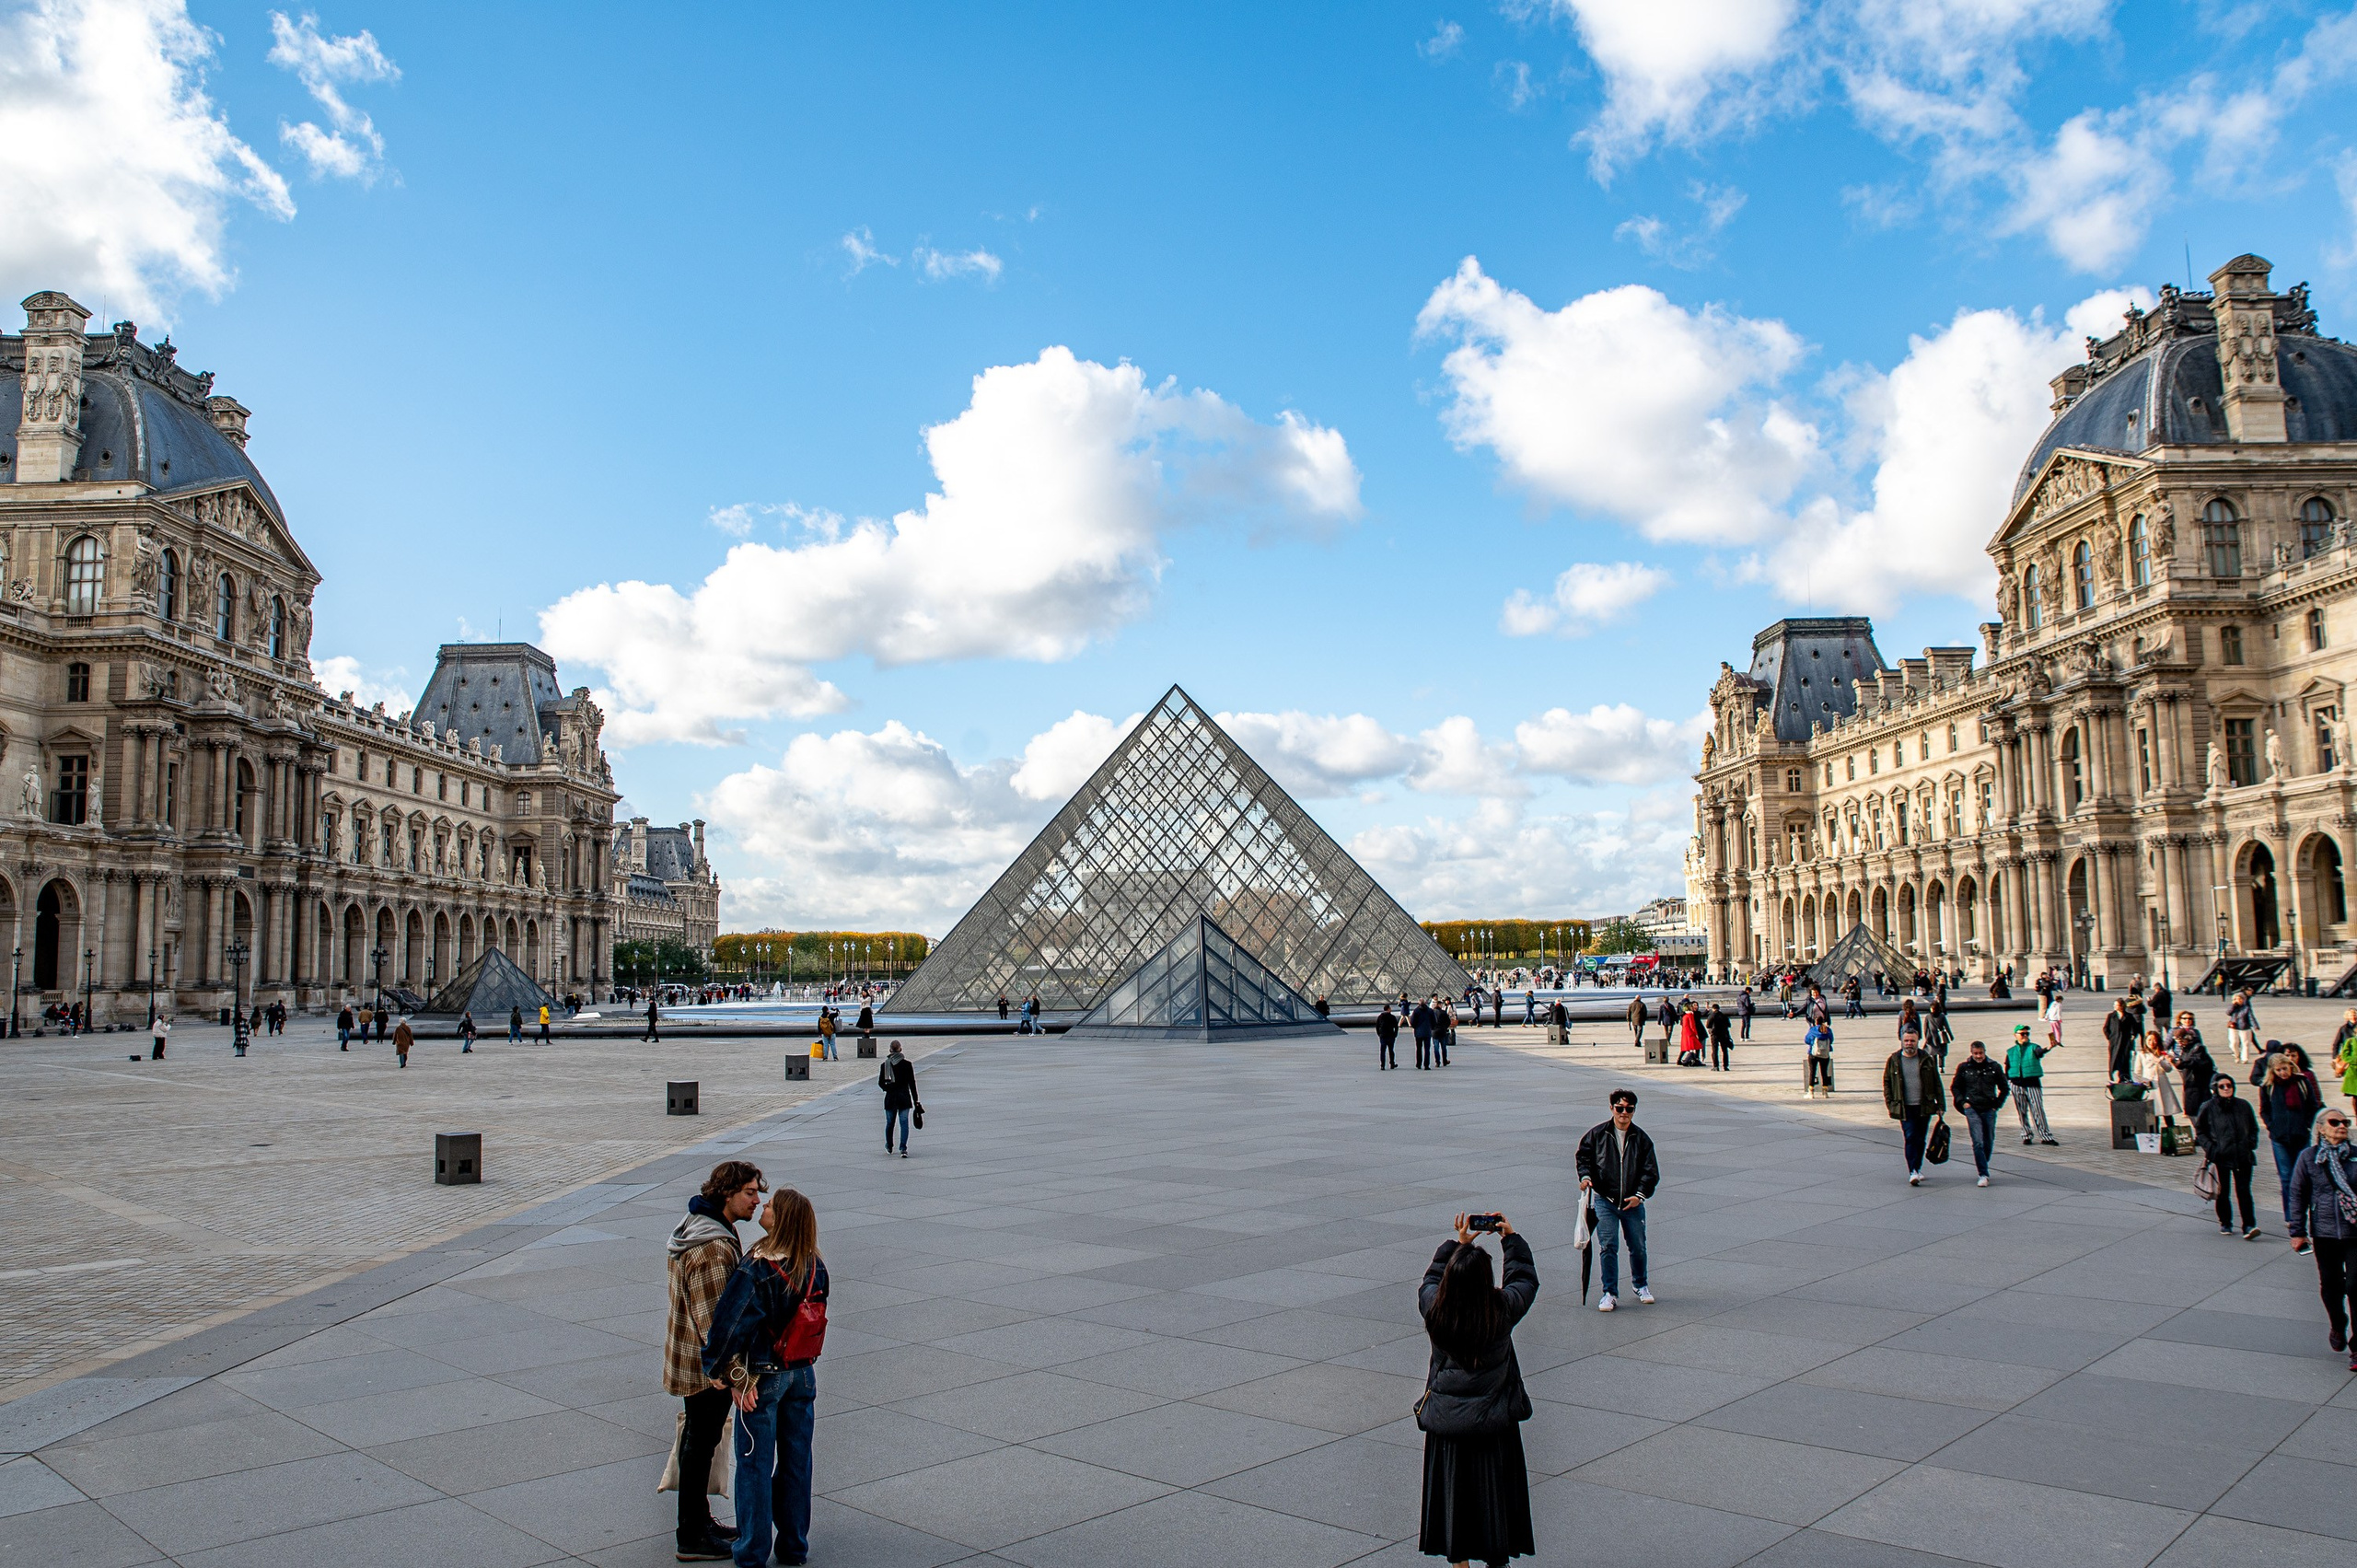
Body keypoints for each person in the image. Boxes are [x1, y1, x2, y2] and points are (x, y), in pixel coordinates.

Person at [701, 1188, 827, 1568]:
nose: (764, 1205)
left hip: (762, 1380)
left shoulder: (758, 1266)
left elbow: (727, 1326)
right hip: (802, 1375)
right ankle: (793, 1547)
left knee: (754, 1465)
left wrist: (726, 1373)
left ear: (782, 1218)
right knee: (796, 1462)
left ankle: (752, 1552)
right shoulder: (815, 1265)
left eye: (771, 1205)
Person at [1416, 1212, 1538, 1568]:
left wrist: (1456, 1245)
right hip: (1493, 1425)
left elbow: (1430, 1279)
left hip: (1448, 1427)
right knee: (1494, 1502)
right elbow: (1524, 1281)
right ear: (1487, 1281)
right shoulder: (1500, 1311)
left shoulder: (1435, 1310)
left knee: (1454, 1505)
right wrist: (1510, 1240)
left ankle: (1460, 1564)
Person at [666, 1160, 761, 1562]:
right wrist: (737, 1377)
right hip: (705, 1367)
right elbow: (714, 1325)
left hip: (694, 1358)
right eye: (750, 1193)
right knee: (699, 1445)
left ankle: (699, 1521)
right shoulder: (712, 1247)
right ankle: (691, 1535)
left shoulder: (704, 1226)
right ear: (728, 1194)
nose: (757, 1201)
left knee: (699, 1443)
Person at [1574, 1089, 1658, 1311]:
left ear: (1634, 1111)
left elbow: (1650, 1171)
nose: (1624, 1113)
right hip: (1605, 1200)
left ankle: (1640, 1284)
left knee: (1638, 1246)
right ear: (1611, 1108)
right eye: (1619, 1108)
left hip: (1632, 1203)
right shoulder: (1598, 1134)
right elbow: (1583, 1156)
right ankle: (1609, 1292)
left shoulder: (1641, 1139)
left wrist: (1640, 1196)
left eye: (1629, 1109)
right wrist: (1585, 1177)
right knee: (1608, 1246)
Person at [2287, 1108, 2357, 1367]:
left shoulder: (2356, 1155)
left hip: (2354, 1232)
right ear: (2320, 1127)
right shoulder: (2309, 1158)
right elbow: (2298, 1194)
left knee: (2355, 1286)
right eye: (2335, 1121)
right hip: (2324, 1232)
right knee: (2331, 1286)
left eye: (2345, 1122)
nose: (2341, 1125)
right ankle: (2338, 1324)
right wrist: (2297, 1231)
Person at [2262, 1051, 2326, 1242]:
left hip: (2300, 1136)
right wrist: (2272, 1126)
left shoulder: (2301, 1082)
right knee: (2287, 1178)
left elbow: (2313, 1106)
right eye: (2279, 1070)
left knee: (2306, 1177)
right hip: (2279, 1138)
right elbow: (2265, 1110)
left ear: (2291, 1067)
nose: (2283, 1073)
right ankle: (2291, 1216)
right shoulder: (2268, 1087)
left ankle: (2309, 1212)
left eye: (2285, 1068)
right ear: (2273, 1071)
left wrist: (2306, 1125)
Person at [2195, 1075, 2262, 1237]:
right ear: (2215, 1089)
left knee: (2244, 1191)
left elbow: (2254, 1127)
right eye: (2222, 1086)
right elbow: (2200, 1131)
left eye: (2229, 1085)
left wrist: (2251, 1143)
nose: (2226, 1089)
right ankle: (2225, 1222)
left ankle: (2249, 1225)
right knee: (2223, 1191)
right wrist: (2212, 1149)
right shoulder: (2208, 1107)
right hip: (2221, 1156)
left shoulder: (2243, 1105)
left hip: (2242, 1155)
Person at [1883, 1034, 1946, 1185]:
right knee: (1910, 1137)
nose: (1909, 1043)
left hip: (1923, 1105)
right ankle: (1912, 1171)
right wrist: (1891, 1103)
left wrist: (1941, 1104)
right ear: (1902, 1042)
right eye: (1906, 1041)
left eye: (1912, 1041)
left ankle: (1917, 1168)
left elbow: (1936, 1082)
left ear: (1918, 1041)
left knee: (1921, 1139)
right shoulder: (1894, 1060)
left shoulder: (1926, 1059)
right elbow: (1887, 1083)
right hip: (1905, 1107)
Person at [1949, 1040, 2010, 1187]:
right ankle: (1983, 1173)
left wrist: (1997, 1105)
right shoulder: (1964, 1068)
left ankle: (1983, 1161)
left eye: (1981, 1053)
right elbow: (1955, 1087)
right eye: (1976, 1053)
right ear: (1971, 1053)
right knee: (1978, 1141)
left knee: (1988, 1140)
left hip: (1989, 1108)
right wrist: (1963, 1102)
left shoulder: (1994, 1067)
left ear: (1985, 1052)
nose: (1978, 1056)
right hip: (1972, 1108)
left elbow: (2005, 1088)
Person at [2004, 1024, 2058, 1144]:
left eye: (2027, 1033)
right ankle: (2026, 1135)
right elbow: (2007, 1068)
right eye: (2022, 1033)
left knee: (2038, 1110)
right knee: (2021, 1111)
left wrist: (2049, 1047)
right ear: (2015, 1035)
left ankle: (2046, 1136)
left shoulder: (2033, 1047)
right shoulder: (2011, 1051)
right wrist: (2007, 1082)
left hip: (2032, 1084)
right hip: (2016, 1084)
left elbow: (2040, 1052)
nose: (2025, 1036)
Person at [2136, 1028, 2183, 1128]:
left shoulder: (2164, 1053)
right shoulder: (2141, 1054)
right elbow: (2137, 1072)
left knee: (2167, 1112)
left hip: (2163, 1084)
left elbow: (2168, 1069)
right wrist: (2143, 1082)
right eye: (2149, 1040)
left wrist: (2161, 1060)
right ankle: (2155, 1136)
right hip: (2150, 1084)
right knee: (2153, 1113)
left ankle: (2171, 1134)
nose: (2151, 1043)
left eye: (2154, 1040)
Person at [879, 1040, 919, 1156]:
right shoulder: (907, 1064)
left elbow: (881, 1083)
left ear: (890, 1050)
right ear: (900, 1049)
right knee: (904, 1123)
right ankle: (903, 1148)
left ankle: (889, 1145)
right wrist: (916, 1099)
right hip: (904, 1098)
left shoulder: (885, 1065)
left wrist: (888, 1088)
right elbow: (912, 1083)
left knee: (890, 1123)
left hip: (890, 1098)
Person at [2172, 1011, 2216, 1111]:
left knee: (2199, 1103)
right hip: (2190, 1078)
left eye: (2181, 1042)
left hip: (2198, 1080)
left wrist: (2182, 1063)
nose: (2180, 1044)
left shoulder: (2197, 1047)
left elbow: (2198, 1061)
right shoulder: (2185, 1048)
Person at [2101, 997, 2139, 1084]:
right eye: (2114, 1005)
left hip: (2125, 1042)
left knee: (2125, 1060)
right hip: (2114, 1042)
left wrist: (2133, 1035)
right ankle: (2114, 1075)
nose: (2114, 1006)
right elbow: (2105, 1028)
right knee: (2115, 1059)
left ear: (2121, 1006)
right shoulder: (2111, 1016)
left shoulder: (2129, 1016)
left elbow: (2135, 1028)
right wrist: (2110, 1037)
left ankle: (2124, 1077)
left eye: (2116, 1005)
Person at [1803, 1017, 1834, 1098]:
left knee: (1812, 1072)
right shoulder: (1828, 1030)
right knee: (1824, 1072)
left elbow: (1806, 1040)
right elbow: (1831, 1040)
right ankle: (1825, 1092)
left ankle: (1811, 1092)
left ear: (1816, 1022)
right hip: (1825, 1054)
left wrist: (1812, 1042)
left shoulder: (1813, 1030)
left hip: (1813, 1054)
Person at [2226, 988, 2259, 1064]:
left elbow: (2251, 1017)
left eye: (2241, 999)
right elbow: (2228, 1013)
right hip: (2233, 1026)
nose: (2239, 1000)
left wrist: (2255, 1026)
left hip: (2244, 1027)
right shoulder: (2233, 1007)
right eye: (2237, 999)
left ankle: (2245, 1058)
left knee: (2246, 1043)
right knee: (2234, 1043)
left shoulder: (2246, 1008)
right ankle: (2236, 1055)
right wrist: (2233, 1005)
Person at [2336, 1009, 2357, 1115]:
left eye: (2355, 1015)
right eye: (2351, 1015)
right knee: (2355, 1095)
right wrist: (2335, 1057)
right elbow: (2343, 1053)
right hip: (2353, 1071)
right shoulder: (2345, 1033)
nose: (2354, 1016)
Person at [1705, 1003, 1733, 1072]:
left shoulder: (1712, 1015)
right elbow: (1729, 1025)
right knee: (1724, 1051)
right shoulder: (1724, 1016)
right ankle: (1726, 1066)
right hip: (1723, 1034)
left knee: (1715, 1050)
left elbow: (1708, 1025)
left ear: (1713, 1009)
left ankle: (1716, 1066)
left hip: (1715, 1034)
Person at [1413, 997, 1437, 1070]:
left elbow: (1412, 1022)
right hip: (1427, 1032)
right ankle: (1426, 1065)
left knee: (1419, 1049)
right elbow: (1434, 1021)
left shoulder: (1416, 1011)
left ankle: (1419, 1064)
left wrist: (1416, 1028)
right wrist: (1431, 1028)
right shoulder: (1430, 1011)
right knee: (1427, 1049)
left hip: (1418, 1033)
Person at [1376, 1003, 1399, 1070]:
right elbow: (1396, 1027)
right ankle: (1392, 1064)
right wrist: (1395, 1034)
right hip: (1391, 1035)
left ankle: (1382, 1065)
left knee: (1382, 1051)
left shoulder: (1380, 1016)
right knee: (1391, 1050)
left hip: (1383, 1036)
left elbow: (1377, 1026)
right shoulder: (1392, 1017)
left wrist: (1379, 1034)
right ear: (1388, 1009)